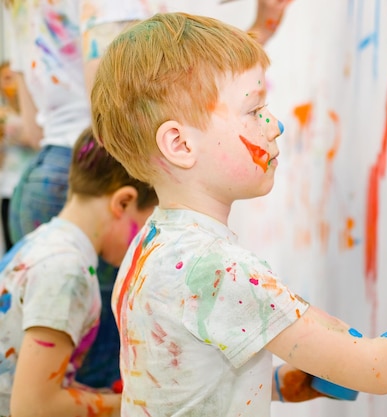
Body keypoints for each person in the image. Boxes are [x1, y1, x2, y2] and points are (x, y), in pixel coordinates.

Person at [90, 12, 387, 416]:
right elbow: (376, 368)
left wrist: (275, 387)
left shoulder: (149, 248)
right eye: (254, 110)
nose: (275, 124)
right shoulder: (216, 270)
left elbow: (177, 387)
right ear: (181, 145)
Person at [4, 0, 295, 389]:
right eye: (255, 110)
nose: (271, 125)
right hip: (102, 164)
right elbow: (118, 102)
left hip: (46, 172)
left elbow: (35, 129)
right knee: (103, 372)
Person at [0, 127, 158, 417]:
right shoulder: (66, 271)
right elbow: (32, 407)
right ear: (123, 202)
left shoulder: (43, 241)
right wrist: (132, 407)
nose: (147, 243)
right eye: (149, 225)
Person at [0, 61, 38, 253]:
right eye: (6, 78)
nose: (12, 83)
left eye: (15, 77)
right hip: (9, 189)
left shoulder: (36, 113)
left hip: (32, 190)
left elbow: (33, 139)